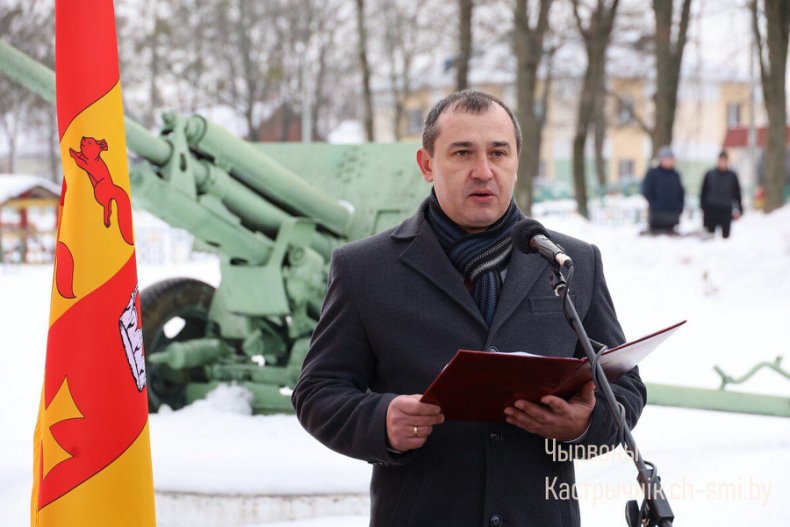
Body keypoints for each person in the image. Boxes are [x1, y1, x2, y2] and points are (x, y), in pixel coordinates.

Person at [292, 90, 645, 526]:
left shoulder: (572, 262)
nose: (484, 171)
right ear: (427, 165)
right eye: (462, 153)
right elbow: (317, 391)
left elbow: (625, 386)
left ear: (517, 160)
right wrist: (381, 420)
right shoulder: (364, 268)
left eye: (499, 153)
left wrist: (583, 426)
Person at [641, 146, 685, 234]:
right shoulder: (653, 173)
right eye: (667, 158)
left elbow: (681, 192)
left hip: (672, 216)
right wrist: (655, 204)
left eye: (671, 158)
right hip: (656, 216)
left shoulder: (675, 175)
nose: (669, 161)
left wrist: (679, 208)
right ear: (661, 159)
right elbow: (647, 191)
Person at [700, 150, 742, 239]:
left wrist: (739, 209)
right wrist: (703, 207)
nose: (723, 162)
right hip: (711, 210)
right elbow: (703, 192)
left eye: (725, 160)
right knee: (709, 237)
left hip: (725, 210)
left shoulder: (732, 176)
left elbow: (737, 194)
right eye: (721, 160)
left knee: (725, 238)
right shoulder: (710, 174)